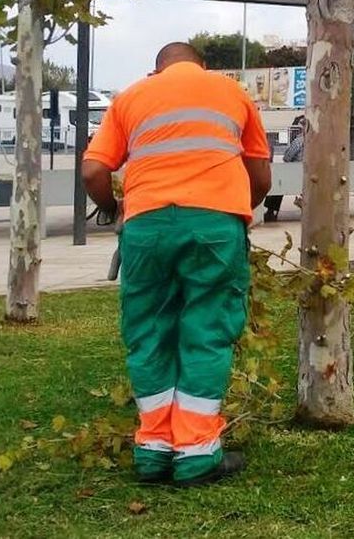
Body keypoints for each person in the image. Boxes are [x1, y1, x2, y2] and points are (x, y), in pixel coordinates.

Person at [81, 43, 273, 488]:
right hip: (214, 225)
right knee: (206, 330)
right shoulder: (232, 92)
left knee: (149, 332)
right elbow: (261, 177)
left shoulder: (130, 97)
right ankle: (196, 454)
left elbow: (92, 172)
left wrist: (112, 208)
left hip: (146, 226)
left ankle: (153, 450)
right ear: (203, 66)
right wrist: (233, 208)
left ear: (156, 71)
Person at [261, 115, 306, 223]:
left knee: (279, 182)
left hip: (295, 175)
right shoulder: (316, 141)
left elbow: (287, 157)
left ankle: (272, 211)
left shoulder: (299, 141)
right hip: (308, 175)